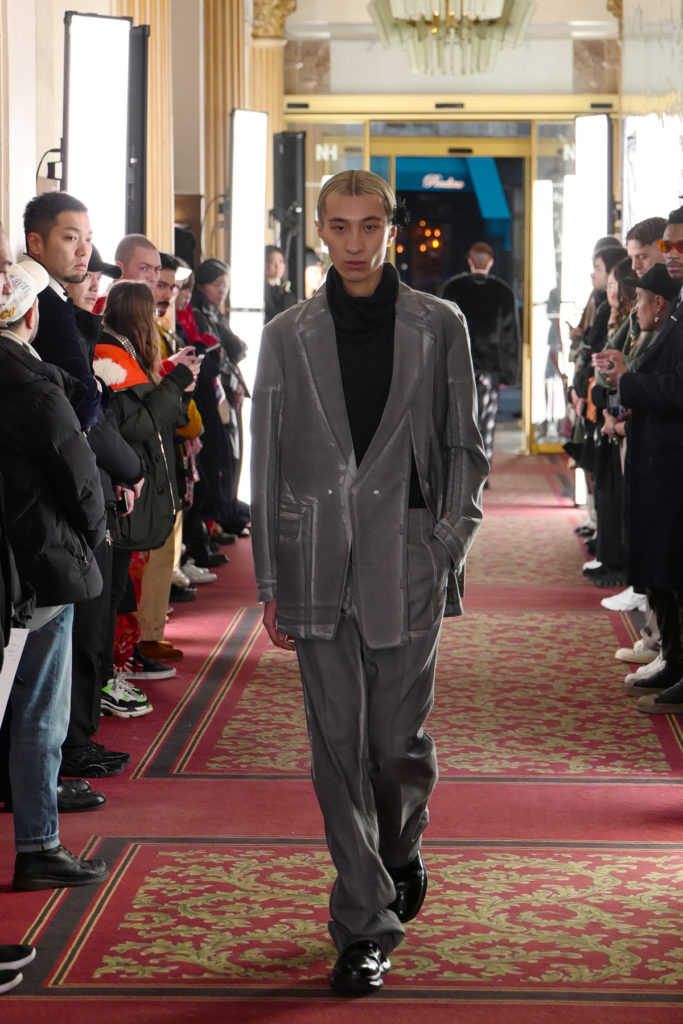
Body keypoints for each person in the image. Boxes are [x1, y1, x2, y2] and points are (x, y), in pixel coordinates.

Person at [251, 170, 488, 996]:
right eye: (340, 226)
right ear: (319, 231)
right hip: (314, 559)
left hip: (408, 558)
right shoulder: (286, 334)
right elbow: (265, 459)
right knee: (337, 751)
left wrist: (448, 541)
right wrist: (269, 580)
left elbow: (465, 444)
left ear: (391, 228)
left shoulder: (439, 324)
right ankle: (361, 924)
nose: (354, 242)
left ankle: (399, 849)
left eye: (369, 225)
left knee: (396, 745)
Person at [0, 248, 108, 891]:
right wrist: (86, 545)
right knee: (42, 710)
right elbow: (81, 480)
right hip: (36, 569)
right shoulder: (34, 385)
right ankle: (39, 844)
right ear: (32, 317)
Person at [594, 209, 683, 716]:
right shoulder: (676, 305)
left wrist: (627, 379)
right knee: (662, 569)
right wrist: (625, 378)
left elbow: (677, 389)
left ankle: (675, 661)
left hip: (670, 461)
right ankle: (673, 659)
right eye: (667, 246)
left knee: (671, 569)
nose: (671, 256)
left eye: (677, 246)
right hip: (658, 458)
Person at [93, 281, 199, 697]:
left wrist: (175, 386)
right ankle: (104, 679)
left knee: (118, 591)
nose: (157, 320)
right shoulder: (109, 355)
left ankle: (109, 672)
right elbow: (135, 425)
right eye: (152, 313)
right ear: (139, 316)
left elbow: (152, 415)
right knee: (111, 595)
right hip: (122, 492)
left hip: (132, 490)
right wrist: (173, 385)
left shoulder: (126, 353)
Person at [441, 241, 521, 465]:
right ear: (491, 263)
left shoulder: (453, 289)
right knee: (486, 423)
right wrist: (508, 375)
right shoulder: (503, 293)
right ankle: (483, 470)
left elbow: (441, 330)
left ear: (470, 262)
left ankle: (460, 468)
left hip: (457, 367)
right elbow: (510, 338)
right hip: (489, 369)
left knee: (459, 421)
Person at [264, 245, 296, 323]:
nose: (277, 266)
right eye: (272, 262)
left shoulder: (282, 290)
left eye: (281, 261)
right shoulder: (262, 290)